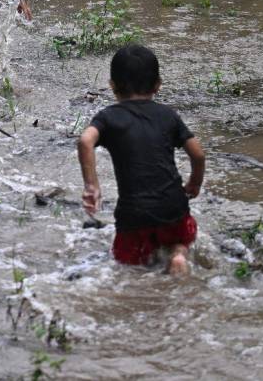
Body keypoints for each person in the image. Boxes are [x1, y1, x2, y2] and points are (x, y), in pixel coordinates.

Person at [77, 45, 205, 275]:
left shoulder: (108, 117)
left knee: (131, 267)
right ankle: (178, 256)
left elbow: (85, 141)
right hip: (173, 208)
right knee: (180, 240)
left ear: (112, 85)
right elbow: (198, 153)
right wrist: (194, 183)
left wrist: (92, 186)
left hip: (133, 214)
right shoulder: (168, 115)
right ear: (158, 84)